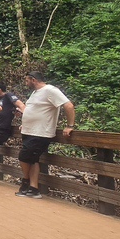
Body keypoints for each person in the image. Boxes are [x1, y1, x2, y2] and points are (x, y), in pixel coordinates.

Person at [15, 71, 75, 199]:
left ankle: (25, 180)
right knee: (33, 160)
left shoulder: (50, 90)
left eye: (27, 80)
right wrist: (25, 120)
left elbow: (68, 105)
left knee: (23, 157)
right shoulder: (35, 93)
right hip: (29, 131)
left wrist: (69, 126)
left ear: (33, 79)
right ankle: (33, 188)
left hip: (41, 133)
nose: (25, 83)